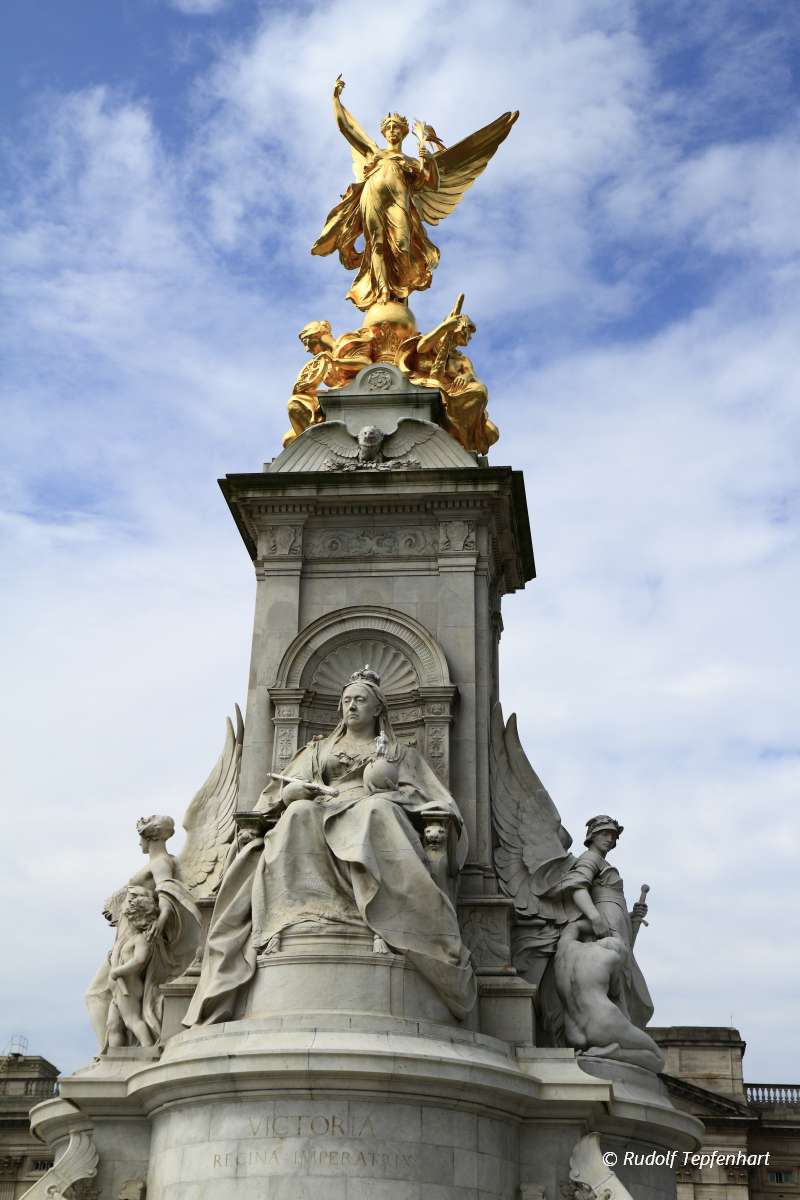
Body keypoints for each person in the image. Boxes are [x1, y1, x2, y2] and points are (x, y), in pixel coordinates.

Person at [185, 667, 476, 1024]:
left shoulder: (399, 753)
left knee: (377, 813)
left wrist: (389, 787)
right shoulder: (318, 749)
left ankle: (386, 920)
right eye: (347, 701)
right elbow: (281, 789)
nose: (352, 707)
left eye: (360, 701)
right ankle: (292, 920)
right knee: (297, 815)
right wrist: (293, 792)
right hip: (323, 808)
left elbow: (430, 797)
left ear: (377, 710)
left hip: (372, 808)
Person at [311, 78, 441, 310]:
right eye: (389, 127)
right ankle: (382, 290)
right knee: (377, 246)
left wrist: (428, 160)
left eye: (397, 128)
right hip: (371, 197)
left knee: (403, 244)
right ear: (384, 132)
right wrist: (335, 100)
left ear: (403, 133)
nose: (392, 131)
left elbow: (430, 184)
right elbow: (347, 128)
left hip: (398, 200)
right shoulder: (375, 153)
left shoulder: (411, 161)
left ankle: (400, 288)